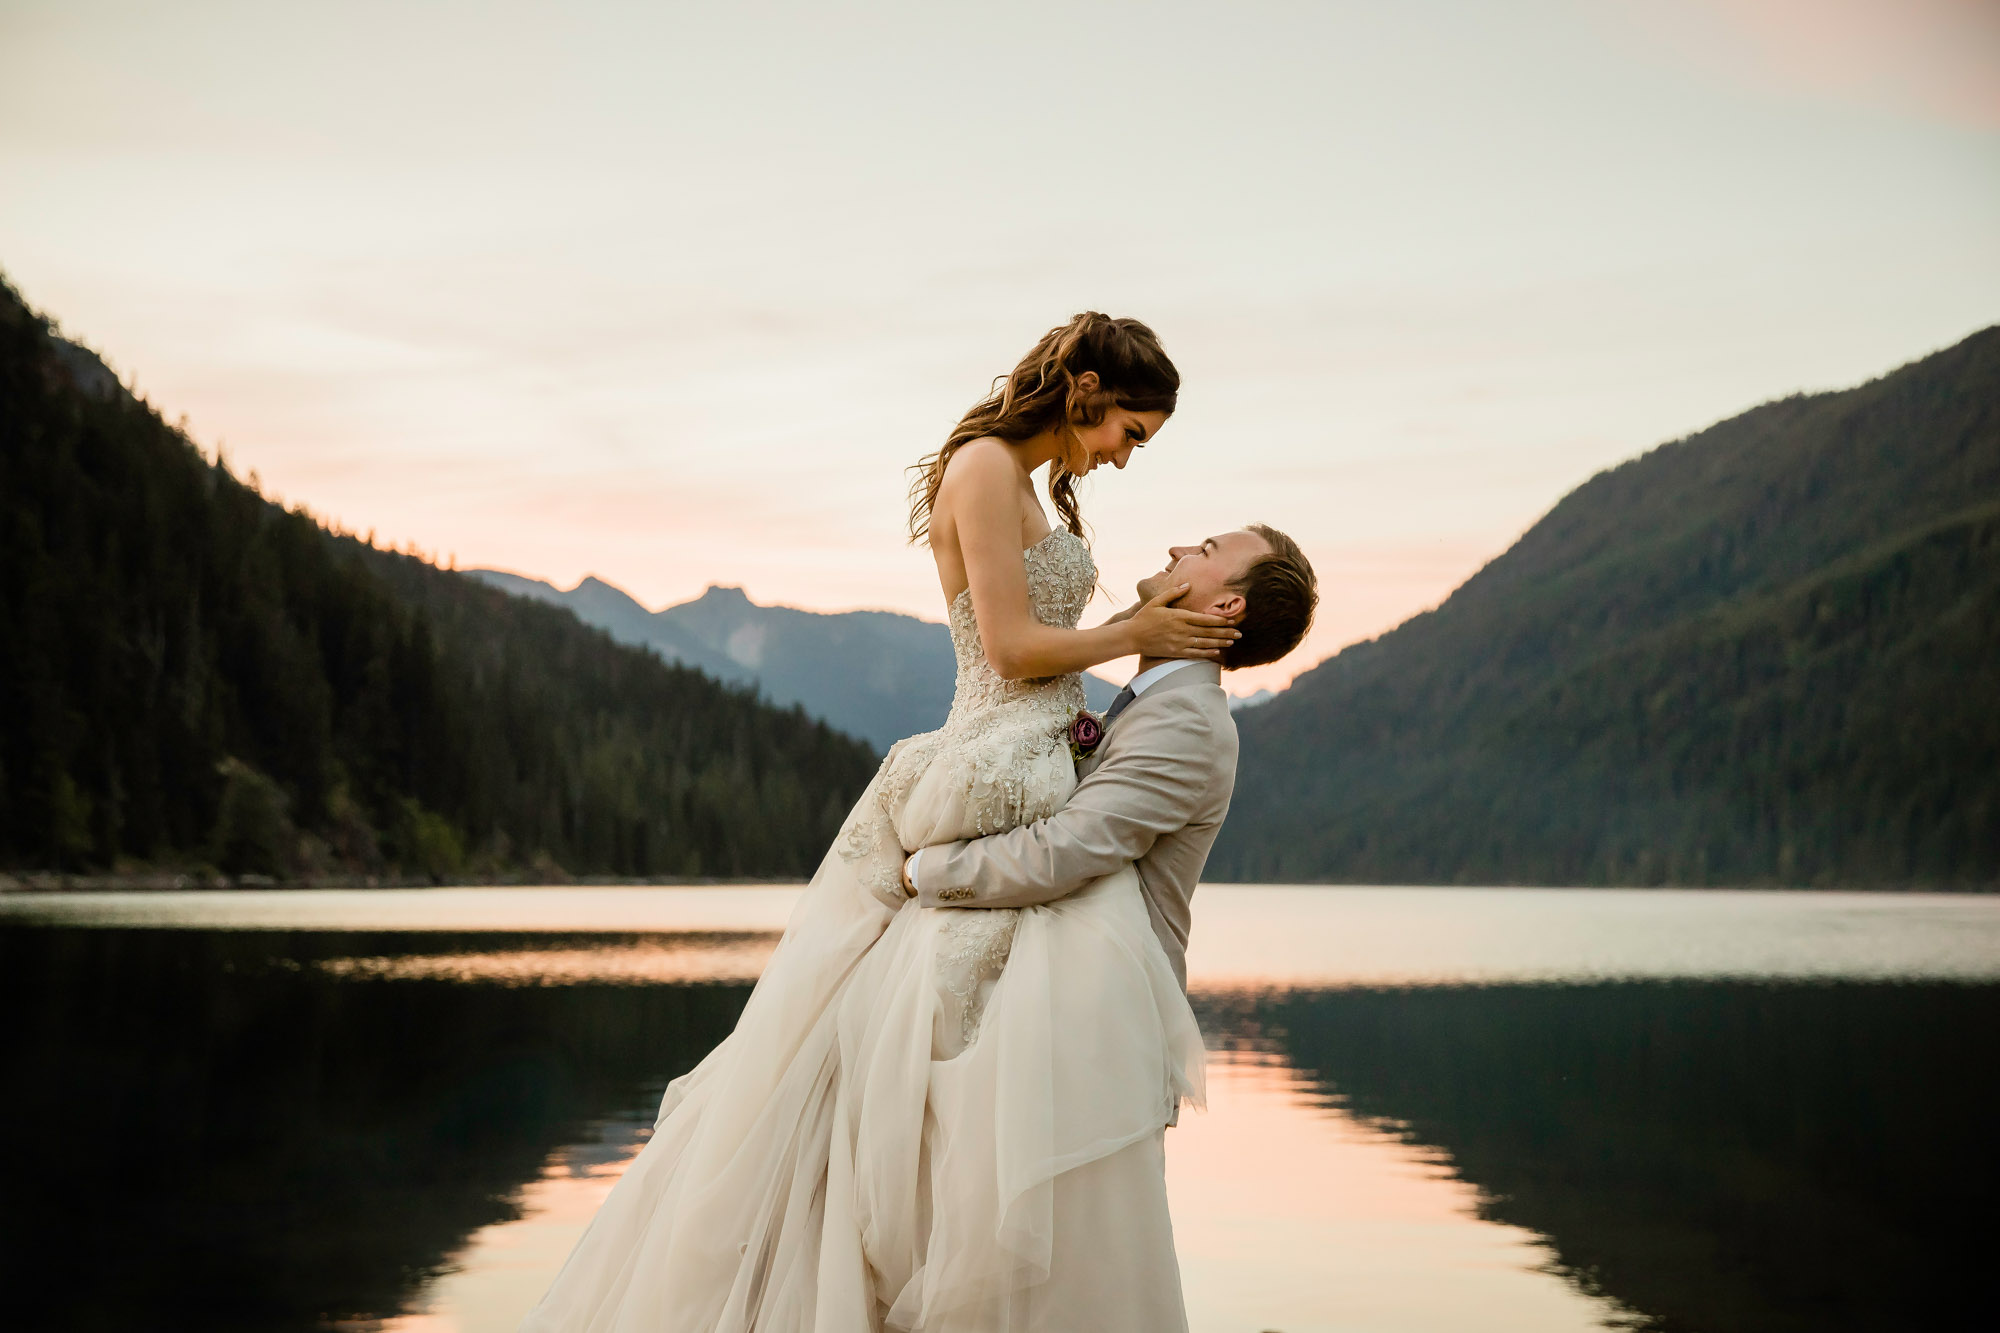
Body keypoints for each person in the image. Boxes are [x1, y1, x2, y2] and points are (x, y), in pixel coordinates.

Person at [521, 314, 1307, 1333]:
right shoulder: (984, 468)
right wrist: (1130, 634)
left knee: (930, 1101)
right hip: (985, 766)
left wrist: (1107, 671)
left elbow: (1078, 828)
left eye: (1138, 443)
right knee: (873, 1089)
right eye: (1129, 431)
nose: (1124, 458)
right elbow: (1015, 645)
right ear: (1081, 392)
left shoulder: (1142, 657)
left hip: (1020, 814)